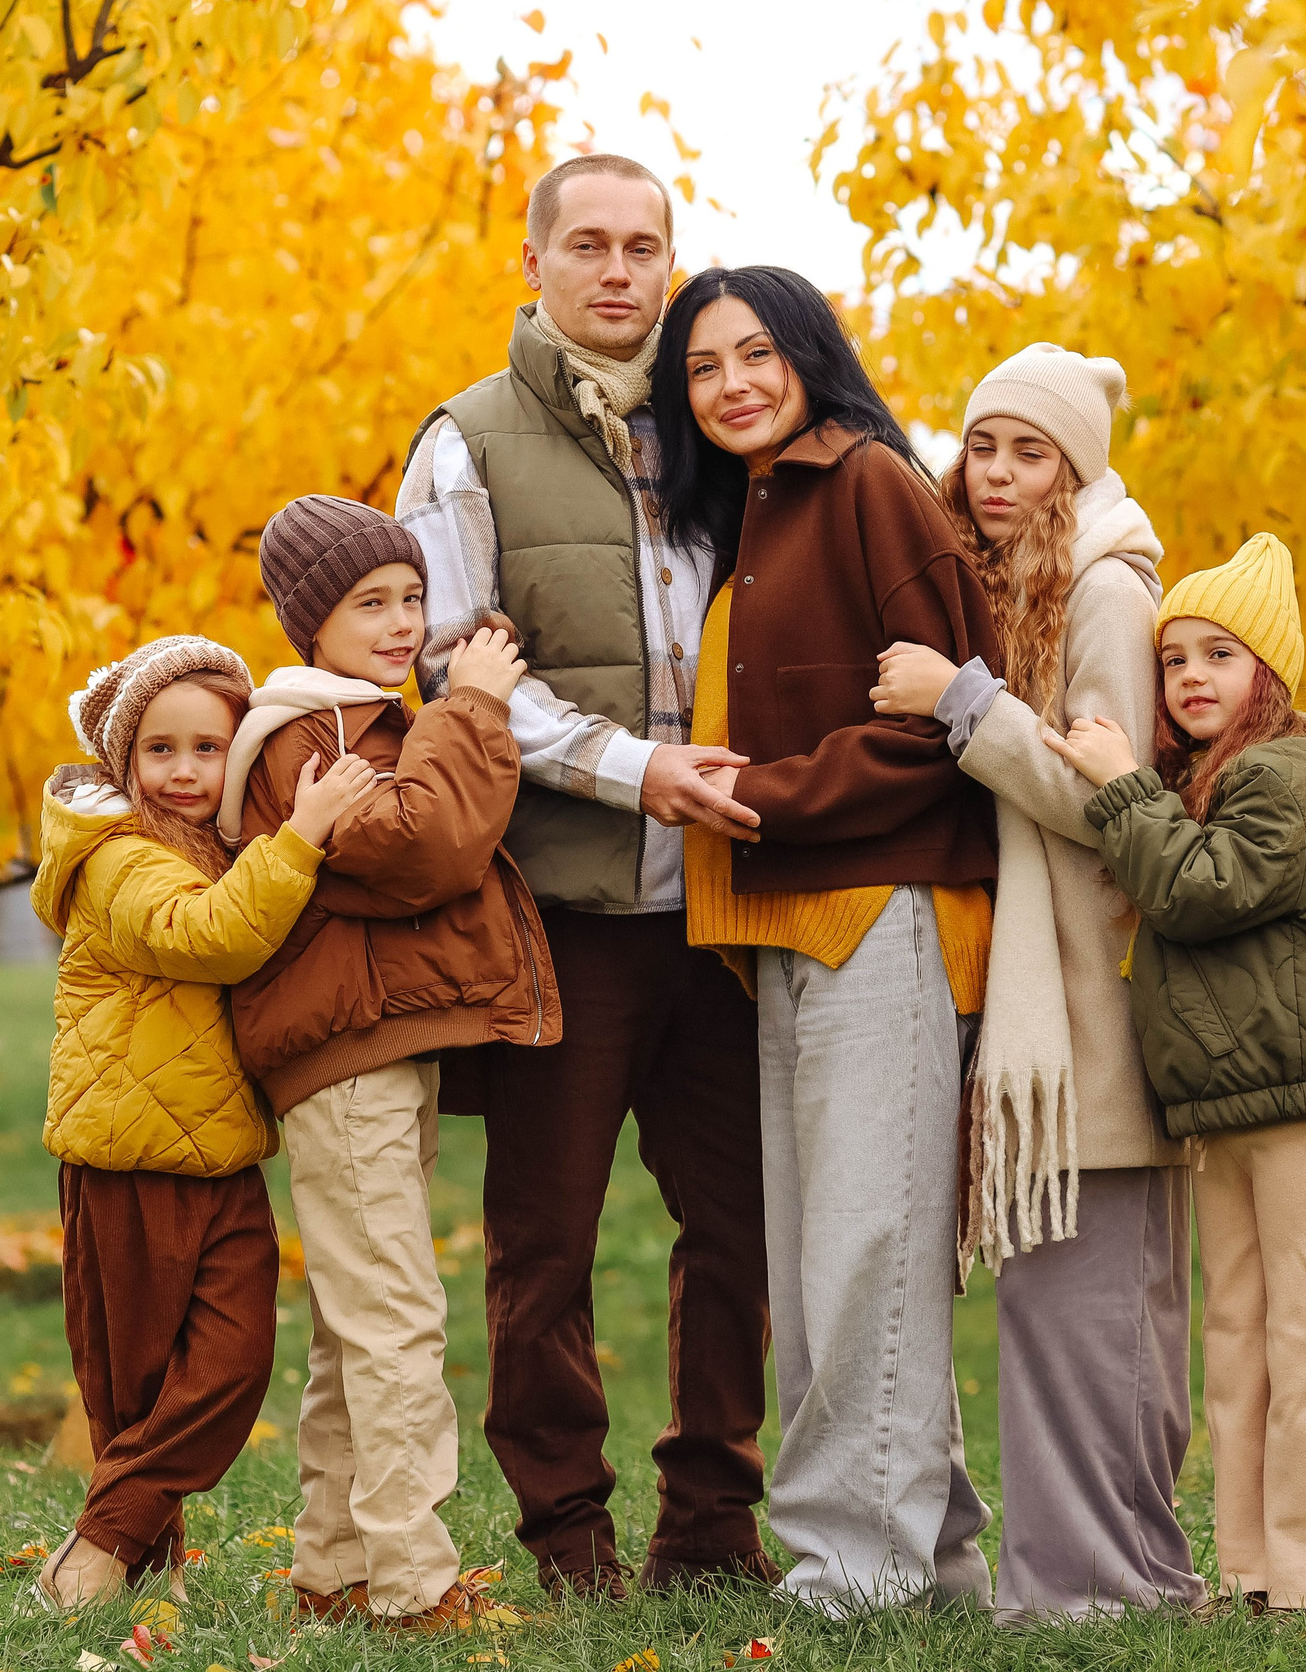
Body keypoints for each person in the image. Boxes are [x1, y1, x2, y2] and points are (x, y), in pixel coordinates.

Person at [396, 154, 772, 1598]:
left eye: (645, 248)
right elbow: (456, 664)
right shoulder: (468, 439)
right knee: (543, 1245)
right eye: (591, 246)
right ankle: (567, 1535)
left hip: (728, 917)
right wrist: (636, 769)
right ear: (537, 260)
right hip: (558, 914)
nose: (620, 272)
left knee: (738, 1225)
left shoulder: (723, 429)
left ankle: (711, 1522)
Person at [656, 263, 999, 1614]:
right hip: (790, 917)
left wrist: (758, 799)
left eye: (757, 353)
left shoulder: (865, 481)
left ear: (810, 354)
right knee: (834, 1254)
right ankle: (939, 1557)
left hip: (882, 906)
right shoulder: (748, 509)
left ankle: (854, 1565)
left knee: (865, 1246)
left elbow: (941, 718)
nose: (733, 380)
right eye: (704, 366)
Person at [868, 344, 1206, 1620]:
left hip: (1096, 990)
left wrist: (966, 707)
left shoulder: (1108, 591)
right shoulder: (1011, 583)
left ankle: (1106, 1585)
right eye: (984, 446)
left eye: (1030, 452)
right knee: (1060, 1305)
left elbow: (1111, 804)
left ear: (1078, 465)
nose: (997, 474)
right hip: (1034, 989)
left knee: (1100, 1307)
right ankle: (1074, 1576)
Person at [216, 497, 558, 1633]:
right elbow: (428, 845)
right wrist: (474, 706)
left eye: (412, 597)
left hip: (375, 1049)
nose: (403, 622)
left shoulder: (363, 725)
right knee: (398, 1315)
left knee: (356, 1319)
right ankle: (415, 1585)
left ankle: (335, 1566)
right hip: (341, 1062)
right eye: (371, 604)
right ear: (311, 622)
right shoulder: (304, 740)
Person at [1045, 532, 1306, 1620]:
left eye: (1220, 656)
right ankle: (1251, 1567)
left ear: (1268, 675)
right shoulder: (1203, 779)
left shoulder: (1287, 769)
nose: (1192, 676)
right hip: (1232, 1101)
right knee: (1239, 1335)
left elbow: (1200, 890)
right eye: (1175, 659)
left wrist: (1115, 788)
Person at [30, 634, 376, 1611]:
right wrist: (301, 835)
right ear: (121, 761)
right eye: (159, 750)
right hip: (128, 1155)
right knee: (134, 1382)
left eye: (207, 749)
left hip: (220, 1153)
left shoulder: (216, 844)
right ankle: (129, 1564)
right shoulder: (116, 857)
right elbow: (210, 935)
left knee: (230, 1362)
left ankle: (105, 1546)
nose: (184, 771)